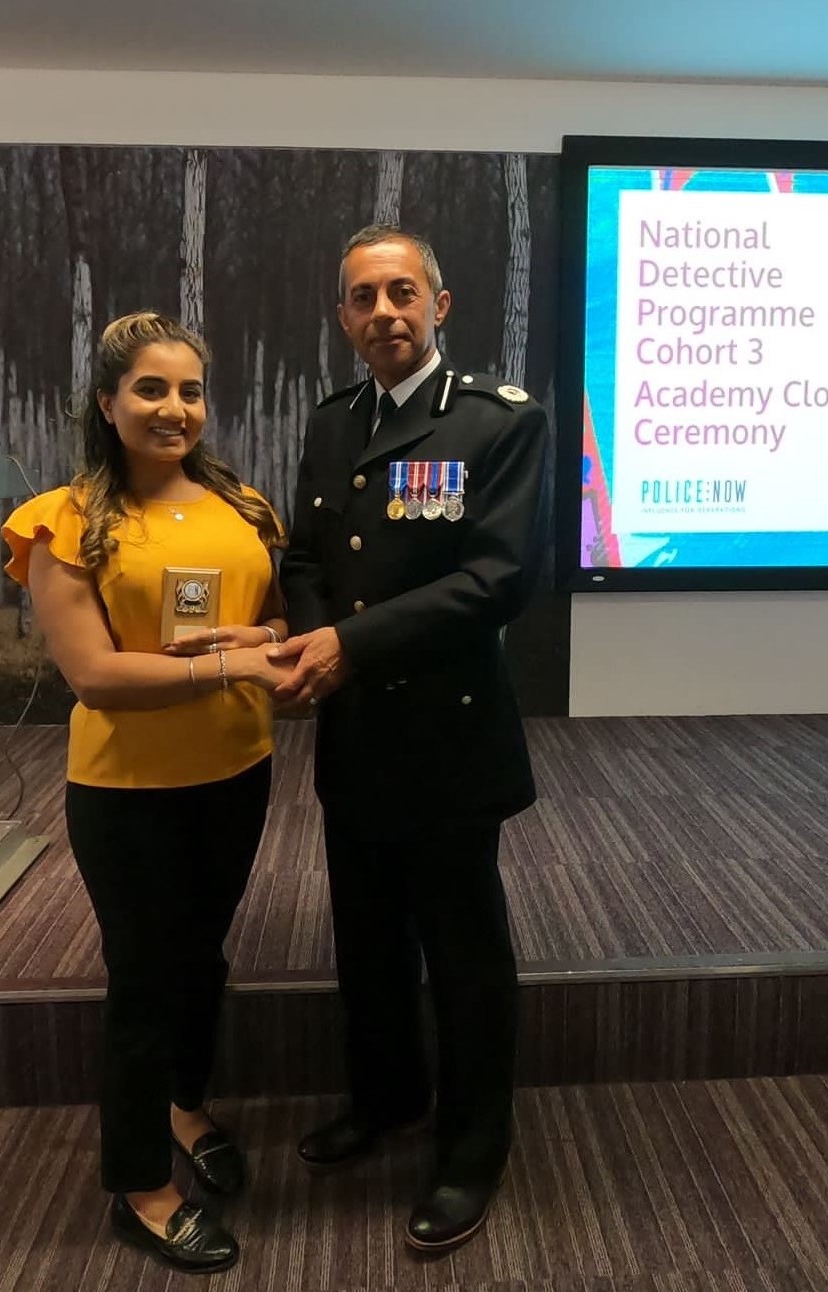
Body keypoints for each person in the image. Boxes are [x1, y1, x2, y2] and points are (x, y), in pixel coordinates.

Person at [271, 224, 548, 1253]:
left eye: (401, 292)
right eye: (361, 298)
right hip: (353, 730)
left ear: (441, 303)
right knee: (368, 937)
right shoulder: (333, 421)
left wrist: (345, 642)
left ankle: (472, 1142)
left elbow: (498, 577)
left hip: (447, 733)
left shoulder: (498, 422)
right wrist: (307, 638)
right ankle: (386, 1096)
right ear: (343, 318)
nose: (383, 311)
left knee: (463, 950)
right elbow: (305, 551)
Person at [2, 311, 289, 1276]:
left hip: (238, 772)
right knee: (142, 980)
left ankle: (185, 1102)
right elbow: (96, 677)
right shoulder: (65, 521)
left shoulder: (243, 506)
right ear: (107, 403)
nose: (175, 410)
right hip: (129, 791)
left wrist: (254, 651)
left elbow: (272, 621)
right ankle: (139, 1186)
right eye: (152, 390)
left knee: (202, 958)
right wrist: (229, 666)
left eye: (191, 391)